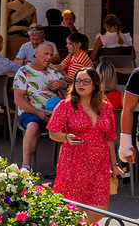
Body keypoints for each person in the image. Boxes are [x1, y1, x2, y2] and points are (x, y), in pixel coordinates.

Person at [46, 64, 117, 216]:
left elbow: (110, 138)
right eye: (78, 81)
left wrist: (115, 165)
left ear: (95, 85)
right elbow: (53, 132)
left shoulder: (105, 107)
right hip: (74, 161)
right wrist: (66, 137)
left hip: (100, 163)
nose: (80, 84)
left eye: (86, 81)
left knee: (98, 211)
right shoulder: (65, 105)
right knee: (73, 208)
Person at [14, 41, 65, 176]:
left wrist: (61, 85)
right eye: (46, 54)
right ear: (36, 54)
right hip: (31, 110)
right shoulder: (23, 72)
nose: (49, 58)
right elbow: (18, 99)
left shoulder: (53, 71)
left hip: (55, 112)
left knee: (74, 125)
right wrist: (38, 113)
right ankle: (26, 166)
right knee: (32, 126)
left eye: (51, 54)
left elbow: (68, 97)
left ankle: (67, 168)